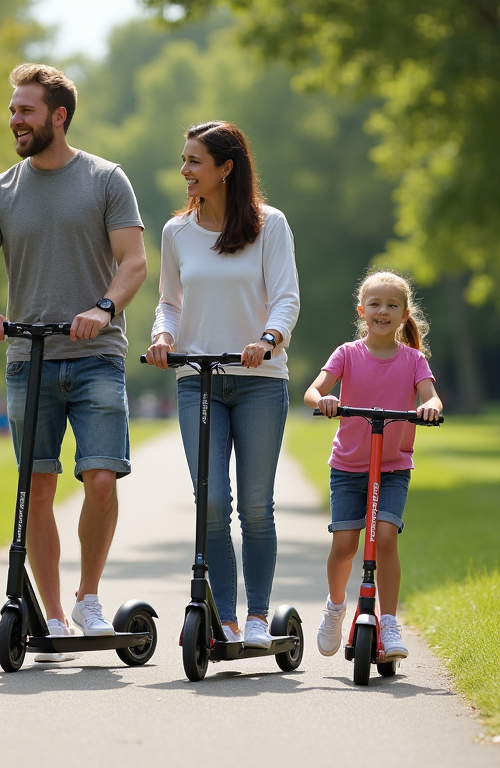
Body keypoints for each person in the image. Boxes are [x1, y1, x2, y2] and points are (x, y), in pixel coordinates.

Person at [0, 63, 146, 660]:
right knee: (37, 488)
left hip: (95, 355)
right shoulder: (0, 190)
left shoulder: (105, 179)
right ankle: (57, 615)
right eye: (13, 109)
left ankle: (90, 596)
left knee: (99, 476)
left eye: (26, 110)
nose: (15, 119)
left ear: (58, 115)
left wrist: (104, 307)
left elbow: (134, 262)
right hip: (29, 358)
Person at [146, 121, 300, 648]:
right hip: (198, 381)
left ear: (225, 168)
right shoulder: (176, 233)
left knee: (256, 505)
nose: (184, 170)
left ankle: (258, 617)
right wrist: (163, 335)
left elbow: (285, 297)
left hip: (259, 380)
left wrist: (269, 337)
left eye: (194, 161)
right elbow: (169, 301)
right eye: (183, 159)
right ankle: (226, 617)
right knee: (210, 501)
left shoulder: (269, 225)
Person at [303, 270, 442, 660]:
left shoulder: (414, 360)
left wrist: (429, 408)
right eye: (376, 304)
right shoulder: (347, 353)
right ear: (362, 311)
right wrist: (325, 401)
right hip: (349, 467)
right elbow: (314, 390)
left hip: (393, 466)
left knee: (384, 538)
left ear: (404, 314)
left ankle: (391, 621)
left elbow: (431, 397)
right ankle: (334, 607)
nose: (383, 311)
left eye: (392, 305)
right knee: (346, 545)